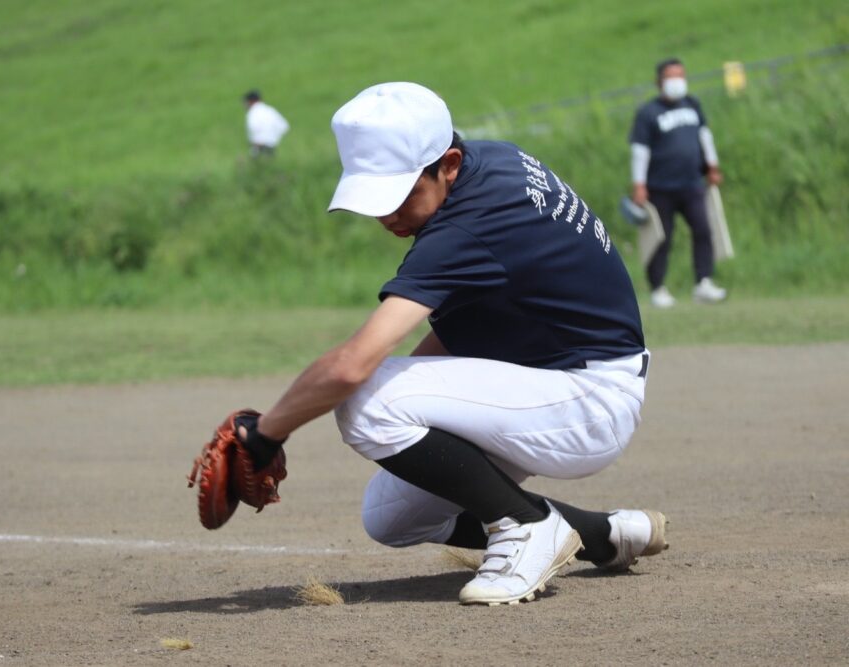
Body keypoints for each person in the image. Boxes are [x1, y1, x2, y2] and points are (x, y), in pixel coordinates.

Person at [233, 82, 667, 606]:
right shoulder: (492, 168)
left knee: (365, 396)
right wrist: (414, 425)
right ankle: (604, 535)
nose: (385, 215)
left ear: (449, 163)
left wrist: (264, 434)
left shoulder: (467, 224)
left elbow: (352, 367)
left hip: (588, 397)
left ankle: (526, 526)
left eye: (397, 193)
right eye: (373, 197)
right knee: (392, 516)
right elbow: (462, 328)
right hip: (561, 378)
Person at [629, 58, 727, 308]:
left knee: (704, 230)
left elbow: (705, 137)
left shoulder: (692, 104)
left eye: (680, 75)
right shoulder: (648, 113)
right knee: (662, 238)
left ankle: (703, 282)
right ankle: (657, 288)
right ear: (659, 81)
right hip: (661, 187)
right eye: (671, 76)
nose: (677, 81)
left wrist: (711, 167)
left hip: (692, 183)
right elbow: (640, 151)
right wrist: (639, 184)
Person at [244, 90, 289, 157]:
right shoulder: (270, 110)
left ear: (251, 101)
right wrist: (275, 138)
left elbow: (253, 128)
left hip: (259, 146)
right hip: (273, 145)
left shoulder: (252, 113)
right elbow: (284, 127)